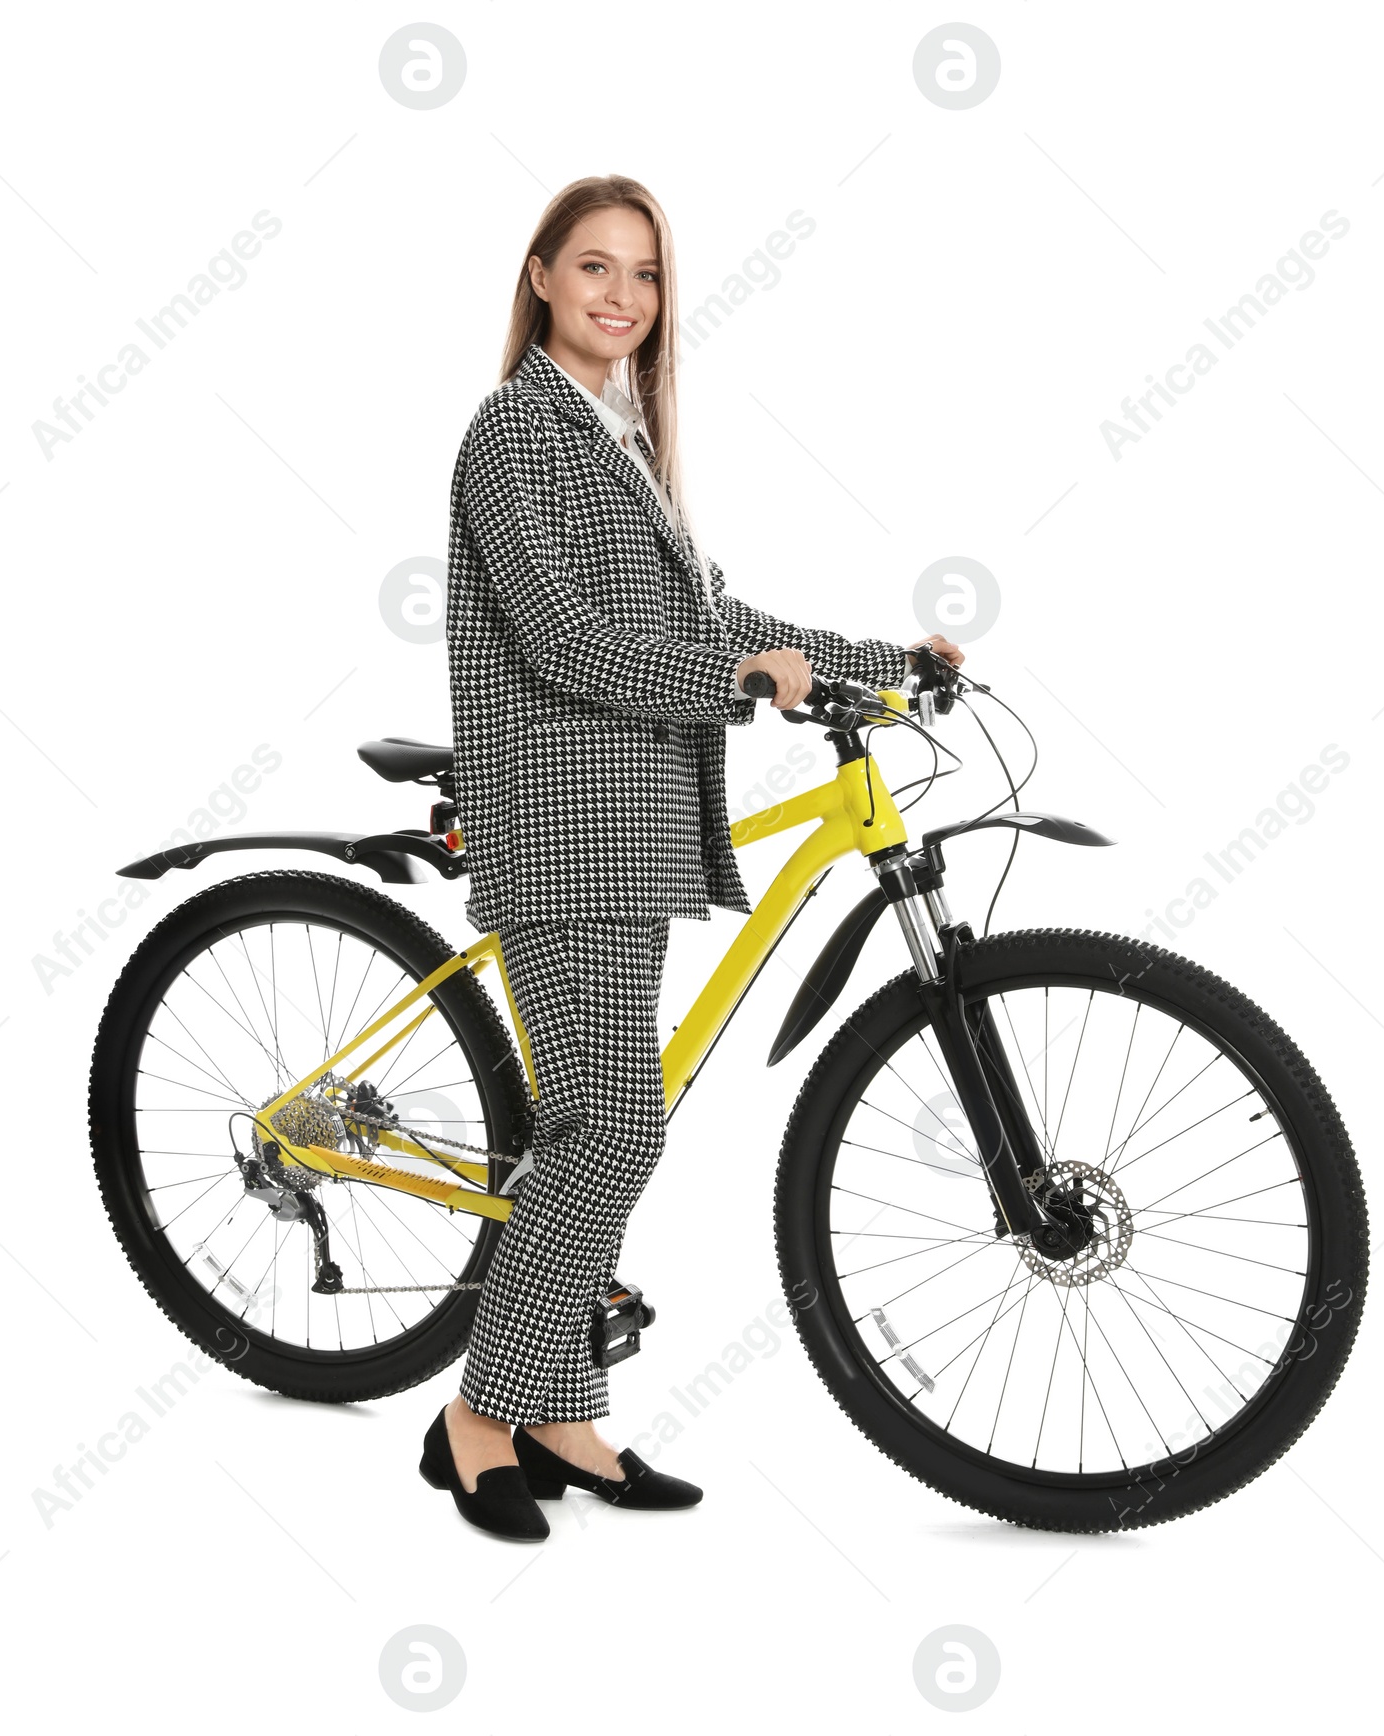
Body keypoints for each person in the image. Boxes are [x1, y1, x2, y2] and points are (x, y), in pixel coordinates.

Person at [419, 174, 964, 1541]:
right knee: (616, 1124)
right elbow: (559, 642)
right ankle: (478, 1414)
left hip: (638, 823)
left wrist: (882, 662)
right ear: (540, 276)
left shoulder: (628, 444)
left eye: (647, 277)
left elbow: (733, 619)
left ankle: (563, 1412)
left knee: (598, 1126)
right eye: (595, 268)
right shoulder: (512, 434)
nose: (622, 297)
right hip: (559, 821)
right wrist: (743, 684)